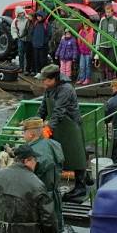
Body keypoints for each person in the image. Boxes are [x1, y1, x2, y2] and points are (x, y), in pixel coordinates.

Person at [21, 117, 65, 233]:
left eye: (24, 132)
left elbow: (28, 176)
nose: (23, 135)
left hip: (40, 197)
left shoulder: (33, 152)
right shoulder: (54, 144)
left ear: (31, 134)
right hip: (54, 194)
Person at [37, 64, 87, 202]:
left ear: (54, 78)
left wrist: (47, 129)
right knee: (60, 155)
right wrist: (36, 122)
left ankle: (81, 187)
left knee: (76, 156)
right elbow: (43, 107)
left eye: (45, 80)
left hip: (70, 126)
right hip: (59, 126)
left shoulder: (66, 89)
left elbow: (58, 111)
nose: (43, 82)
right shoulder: (49, 88)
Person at [95, 4, 117, 81]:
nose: (108, 14)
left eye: (109, 12)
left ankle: (110, 80)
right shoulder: (102, 20)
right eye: (106, 12)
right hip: (103, 45)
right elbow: (99, 33)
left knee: (111, 63)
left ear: (112, 12)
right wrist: (97, 46)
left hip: (112, 46)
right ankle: (102, 80)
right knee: (102, 63)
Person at [11, 6, 32, 75]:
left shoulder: (28, 19)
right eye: (19, 13)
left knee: (27, 54)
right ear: (17, 14)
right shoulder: (15, 21)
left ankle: (27, 68)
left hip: (28, 39)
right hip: (20, 39)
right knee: (20, 53)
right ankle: (21, 67)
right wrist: (15, 37)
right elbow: (13, 30)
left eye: (22, 13)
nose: (21, 14)